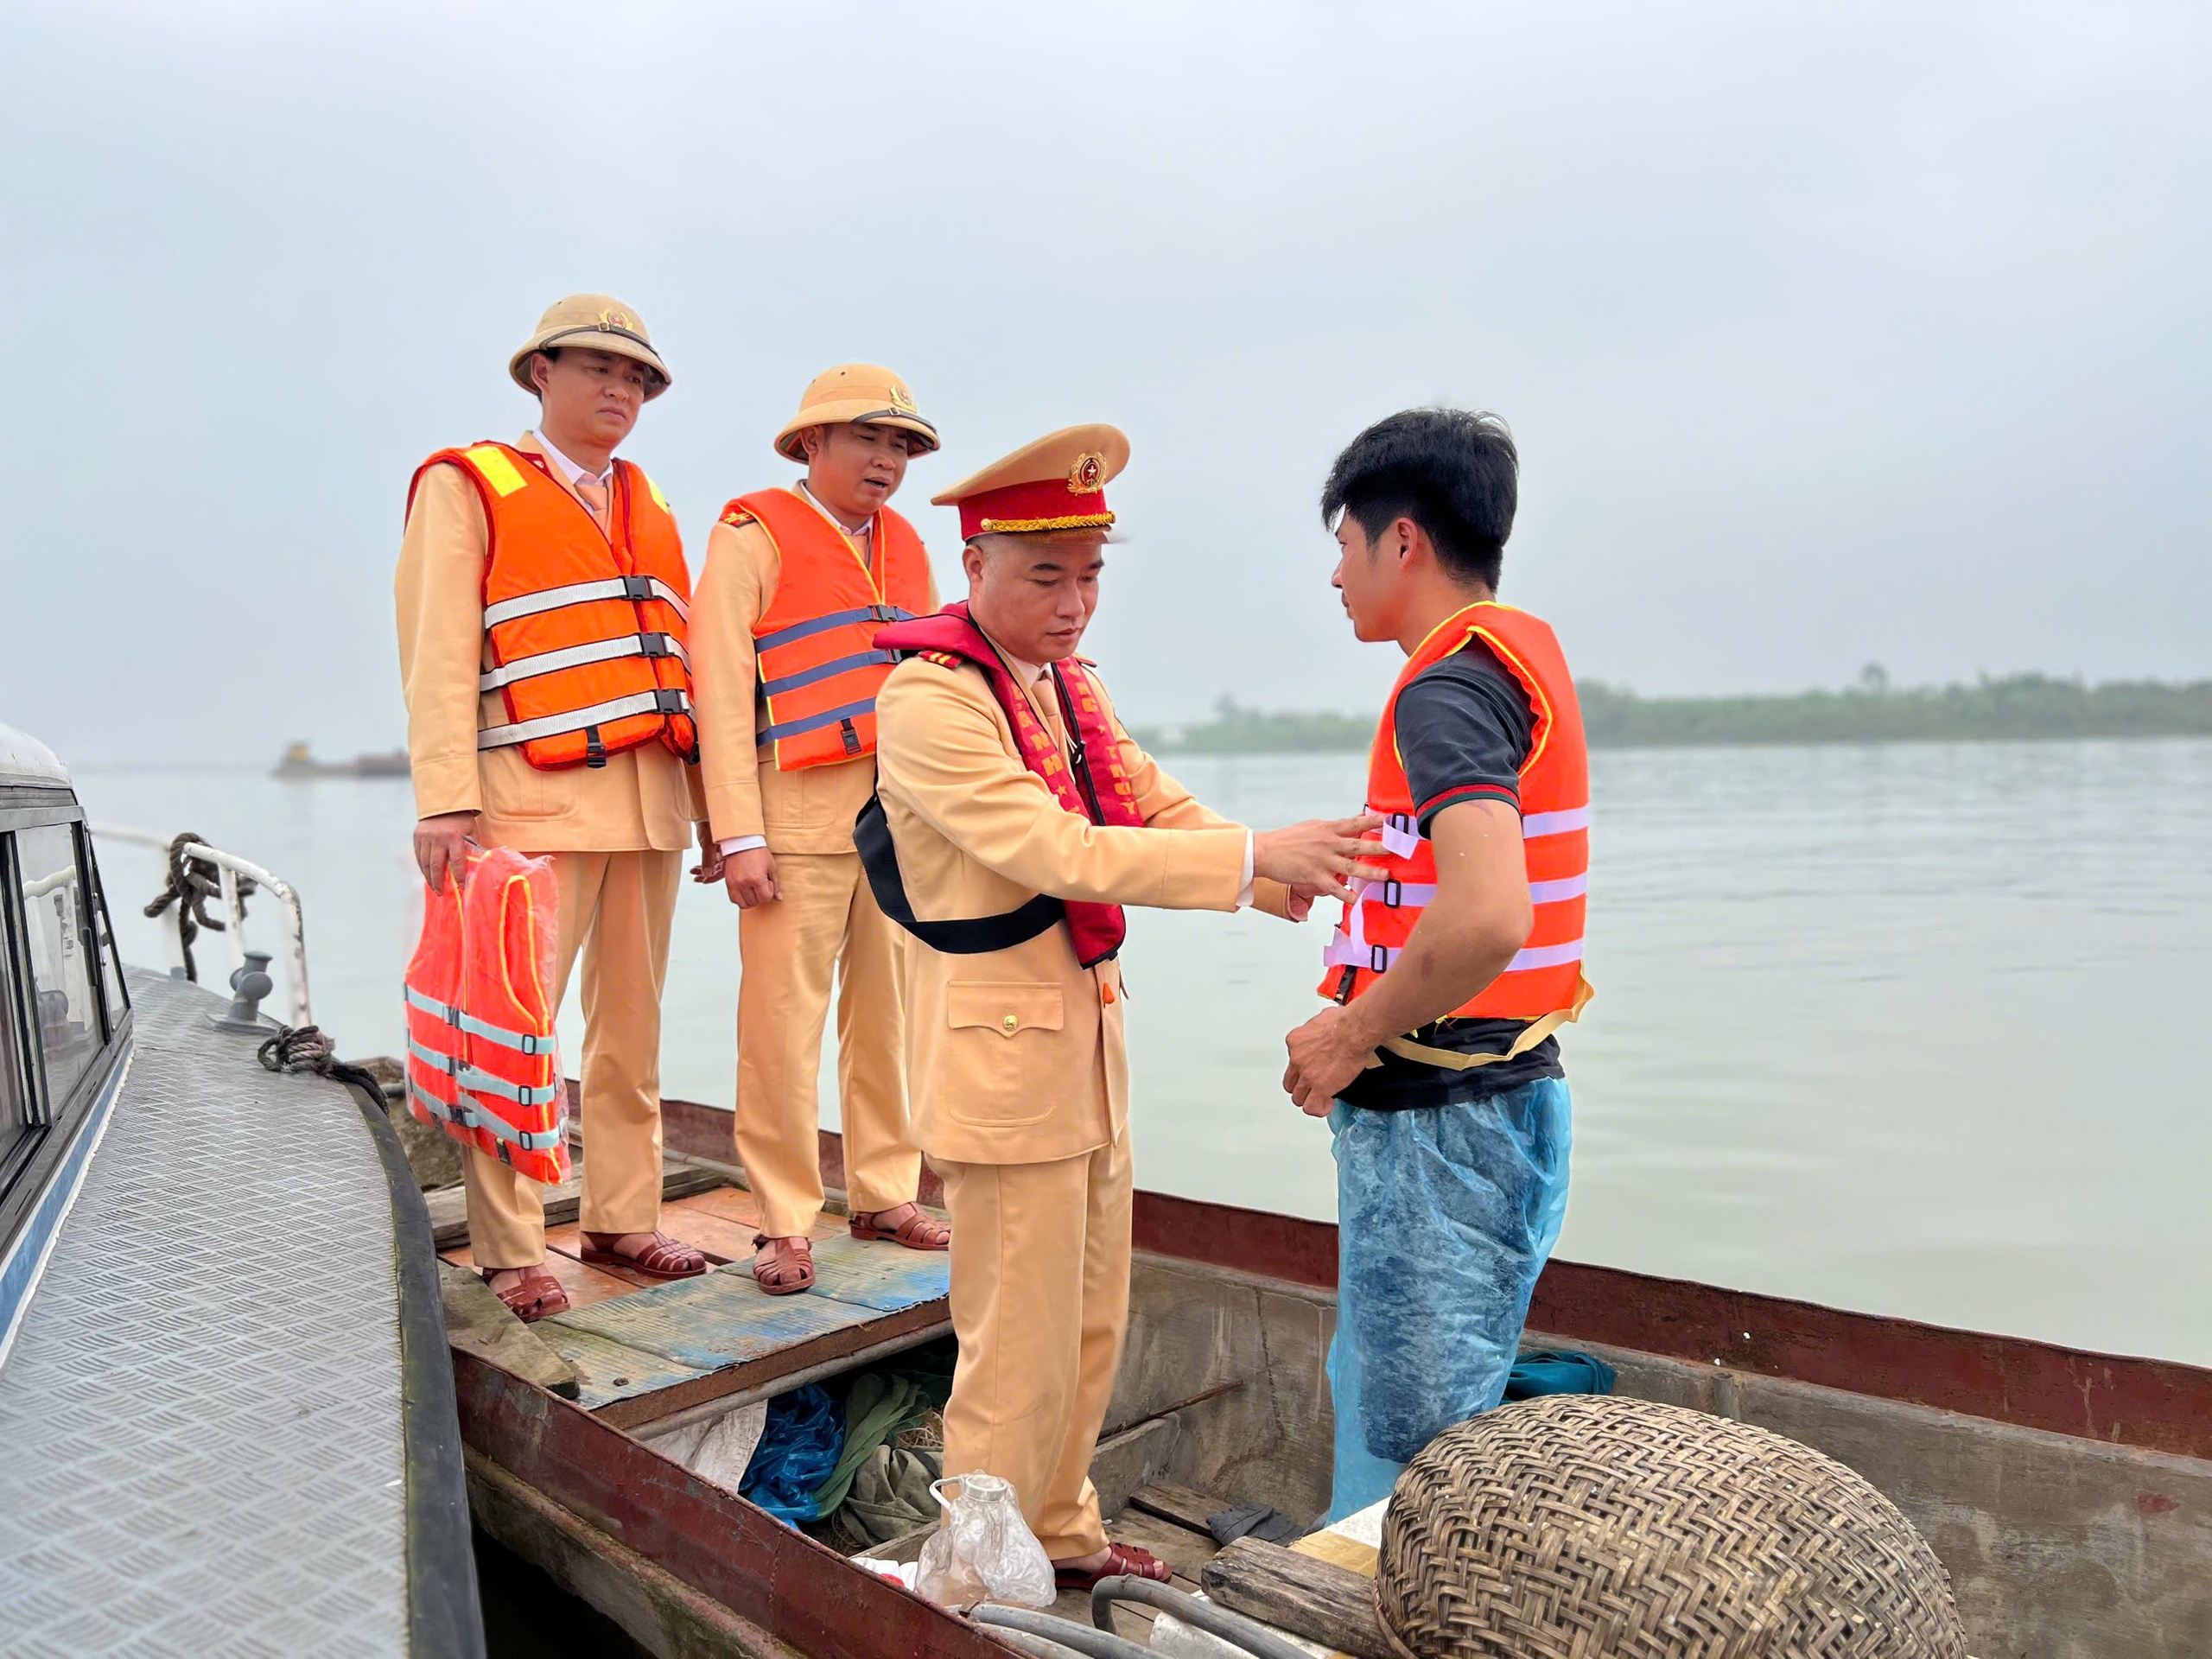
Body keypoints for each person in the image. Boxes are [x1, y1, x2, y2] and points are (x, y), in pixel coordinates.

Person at [868, 424, 1382, 1587]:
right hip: (1001, 1061)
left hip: (1085, 1049)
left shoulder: (1067, 690)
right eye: (1046, 576)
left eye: (1091, 576)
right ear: (975, 566)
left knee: (1092, 1317)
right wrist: (1253, 857)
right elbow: (1055, 848)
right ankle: (973, 1577)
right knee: (1014, 1341)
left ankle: (1059, 1531)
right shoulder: (931, 702)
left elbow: (1149, 805)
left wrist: (1287, 873)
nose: (1074, 604)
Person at [1281, 407, 1593, 1519]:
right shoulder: (1510, 659)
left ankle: (1380, 1595)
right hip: (1507, 1095)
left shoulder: (1445, 686)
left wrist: (1349, 1030)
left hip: (1441, 1127)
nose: (1336, 576)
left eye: (1344, 545)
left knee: (1409, 1443)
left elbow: (1487, 916)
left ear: (1401, 541)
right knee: (1419, 1397)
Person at [395, 294, 715, 1322]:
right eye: (598, 369)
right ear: (542, 373)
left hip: (650, 807)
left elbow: (687, 668)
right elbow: (438, 651)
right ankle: (510, 1249)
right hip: (529, 808)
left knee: (632, 1032)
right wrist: (445, 802)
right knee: (515, 1036)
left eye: (637, 378)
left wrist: (714, 810)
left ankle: (624, 1216)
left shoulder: (649, 502)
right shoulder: (468, 484)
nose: (621, 390)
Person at [691, 365, 950, 1295]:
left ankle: (885, 1194)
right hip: (792, 823)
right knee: (780, 1032)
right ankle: (782, 1220)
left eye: (900, 446)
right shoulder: (751, 536)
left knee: (890, 1023)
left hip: (898, 826)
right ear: (812, 444)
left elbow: (934, 689)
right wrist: (737, 834)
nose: (886, 462)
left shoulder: (908, 545)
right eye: (867, 440)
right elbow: (721, 696)